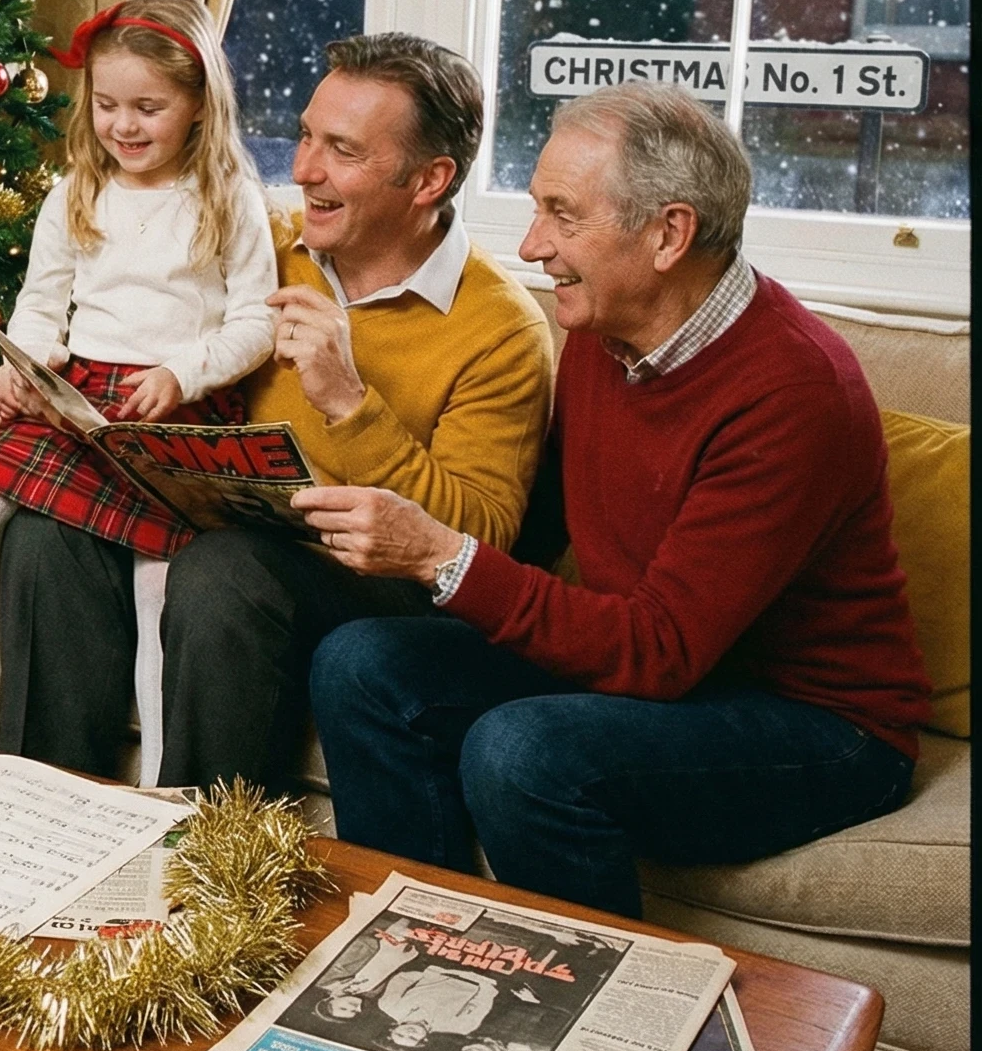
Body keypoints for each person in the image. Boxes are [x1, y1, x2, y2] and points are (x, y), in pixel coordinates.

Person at [303, 82, 926, 918]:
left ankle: (570, 1012)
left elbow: (660, 651)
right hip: (673, 667)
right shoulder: (605, 328)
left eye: (563, 215)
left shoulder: (793, 391)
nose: (532, 246)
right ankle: (412, 935)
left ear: (669, 234)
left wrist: (439, 557)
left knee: (523, 750)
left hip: (818, 723)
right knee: (361, 663)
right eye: (536, 210)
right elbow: (539, 528)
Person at [0, 34, 555, 786]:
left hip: (364, 585)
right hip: (217, 520)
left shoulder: (501, 329)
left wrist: (349, 403)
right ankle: (38, 811)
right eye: (305, 136)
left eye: (343, 151)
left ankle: (209, 857)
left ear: (430, 179)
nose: (303, 171)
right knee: (46, 529)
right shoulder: (264, 241)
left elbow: (479, 538)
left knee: (226, 568)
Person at [0, 0, 278, 752]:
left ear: (200, 105)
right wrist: (23, 368)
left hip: (171, 408)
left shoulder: (229, 198)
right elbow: (41, 307)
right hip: (79, 397)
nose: (124, 126)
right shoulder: (74, 192)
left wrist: (184, 372)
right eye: (107, 105)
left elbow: (257, 322)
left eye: (148, 107)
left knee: (155, 582)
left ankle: (163, 777)